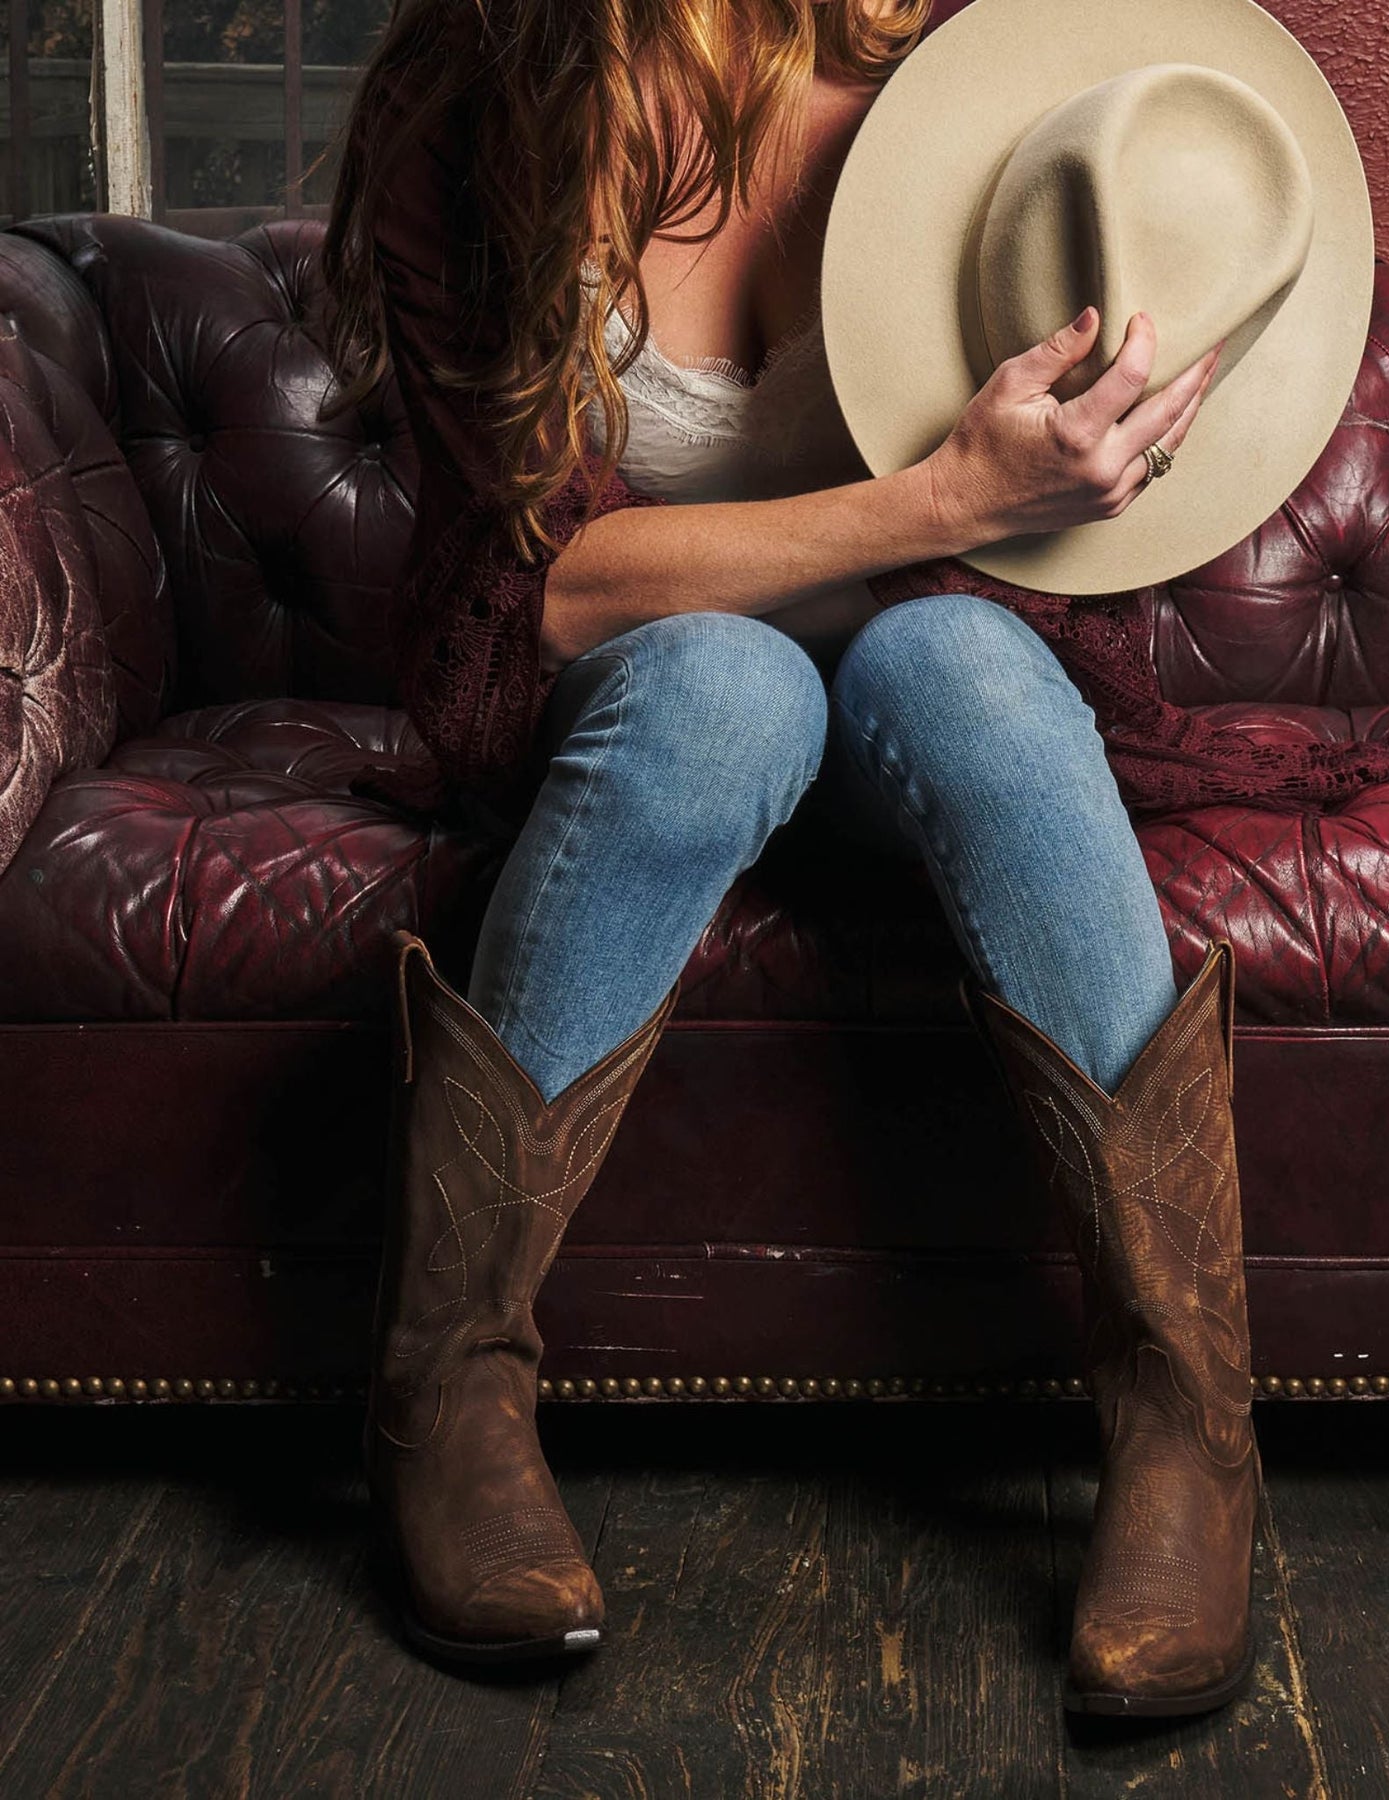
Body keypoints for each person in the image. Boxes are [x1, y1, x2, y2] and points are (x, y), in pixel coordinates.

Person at [316, 0, 1254, 1714]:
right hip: (646, 704)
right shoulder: (491, 103)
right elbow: (552, 589)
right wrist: (944, 499)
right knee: (725, 686)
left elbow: (1051, 531)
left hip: (923, 675)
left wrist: (1073, 465)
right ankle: (446, 1390)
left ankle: (1189, 1425)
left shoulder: (981, 78)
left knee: (962, 665)